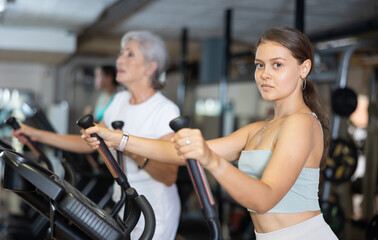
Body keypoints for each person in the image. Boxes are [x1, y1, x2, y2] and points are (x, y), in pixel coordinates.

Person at [81, 26, 338, 240]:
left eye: (277, 65)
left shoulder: (301, 123)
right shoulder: (257, 129)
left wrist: (210, 160)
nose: (265, 74)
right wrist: (119, 140)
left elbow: (264, 198)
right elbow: (178, 152)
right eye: (260, 65)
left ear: (303, 68)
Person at [12, 31, 181, 240]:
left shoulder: (165, 110)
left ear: (150, 67)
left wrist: (125, 145)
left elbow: (168, 175)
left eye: (130, 54)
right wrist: (36, 134)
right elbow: (89, 143)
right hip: (123, 206)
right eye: (121, 53)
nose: (119, 59)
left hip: (155, 211)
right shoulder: (119, 100)